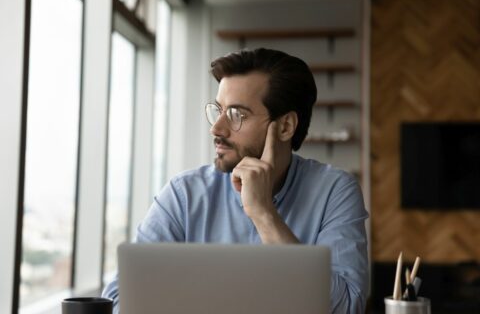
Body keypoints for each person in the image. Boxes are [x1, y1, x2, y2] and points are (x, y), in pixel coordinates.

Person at [102, 48, 369, 313]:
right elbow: (116, 300)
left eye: (236, 115)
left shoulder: (335, 191)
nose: (216, 128)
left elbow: (347, 308)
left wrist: (264, 214)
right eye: (218, 110)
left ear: (285, 126)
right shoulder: (184, 195)